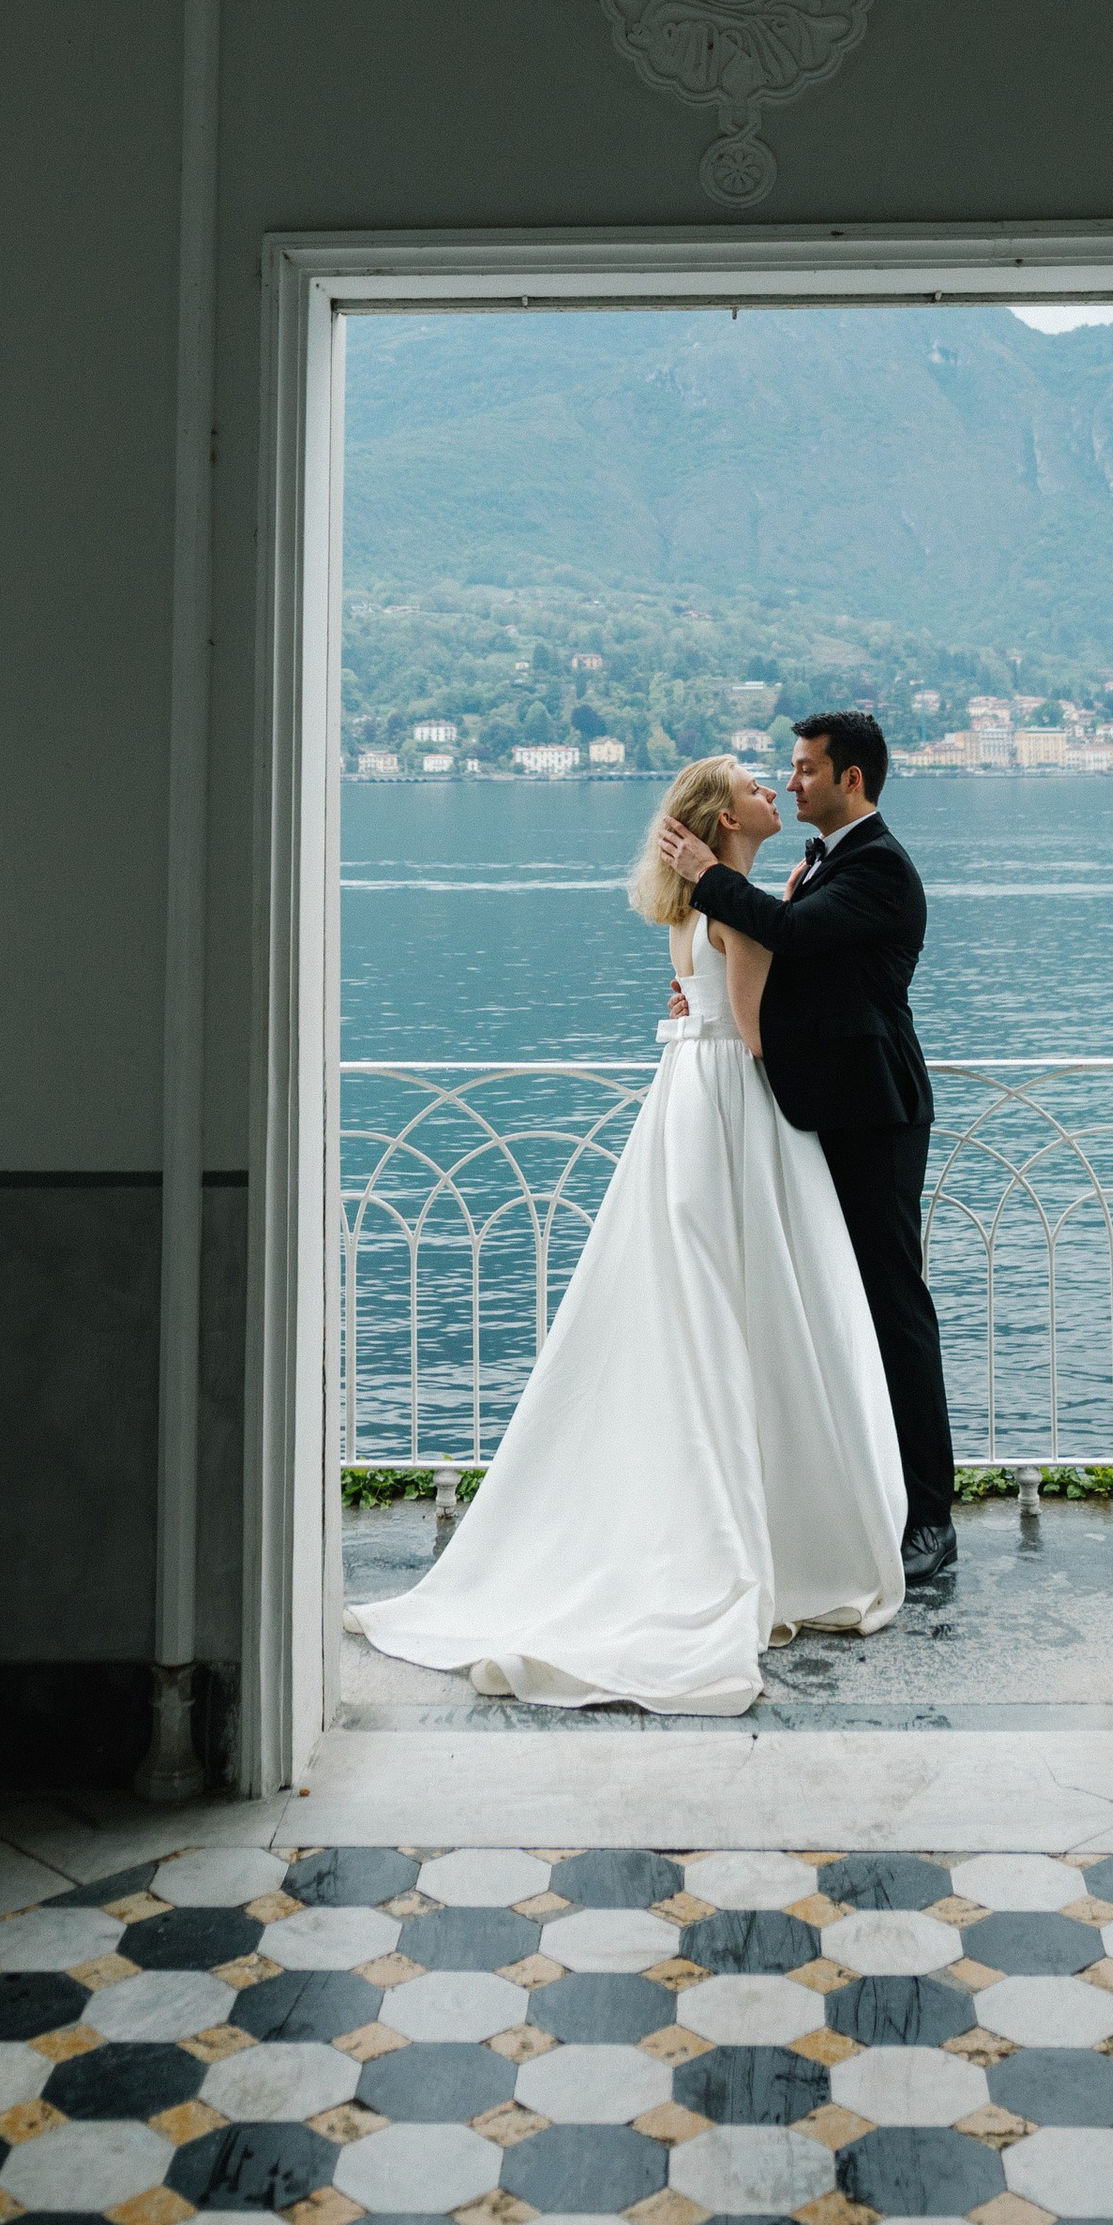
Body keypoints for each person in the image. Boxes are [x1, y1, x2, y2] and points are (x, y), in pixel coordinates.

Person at [343, 752, 904, 1713]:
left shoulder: (694, 910)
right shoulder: (737, 906)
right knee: (766, 1307)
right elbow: (759, 1033)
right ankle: (783, 1531)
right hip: (735, 1111)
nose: (773, 789)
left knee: (693, 1309)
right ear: (724, 820)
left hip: (684, 1106)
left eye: (787, 777)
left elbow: (698, 1009)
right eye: (754, 787)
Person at [661, 708, 960, 1587]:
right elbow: (787, 966)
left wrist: (709, 877)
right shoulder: (823, 865)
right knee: (829, 1306)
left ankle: (929, 1518)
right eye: (785, 772)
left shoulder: (880, 869)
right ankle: (850, 1492)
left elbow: (788, 938)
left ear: (851, 780)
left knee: (892, 1307)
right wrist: (704, 1001)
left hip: (872, 1115)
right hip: (813, 1110)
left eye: (802, 770)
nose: (789, 782)